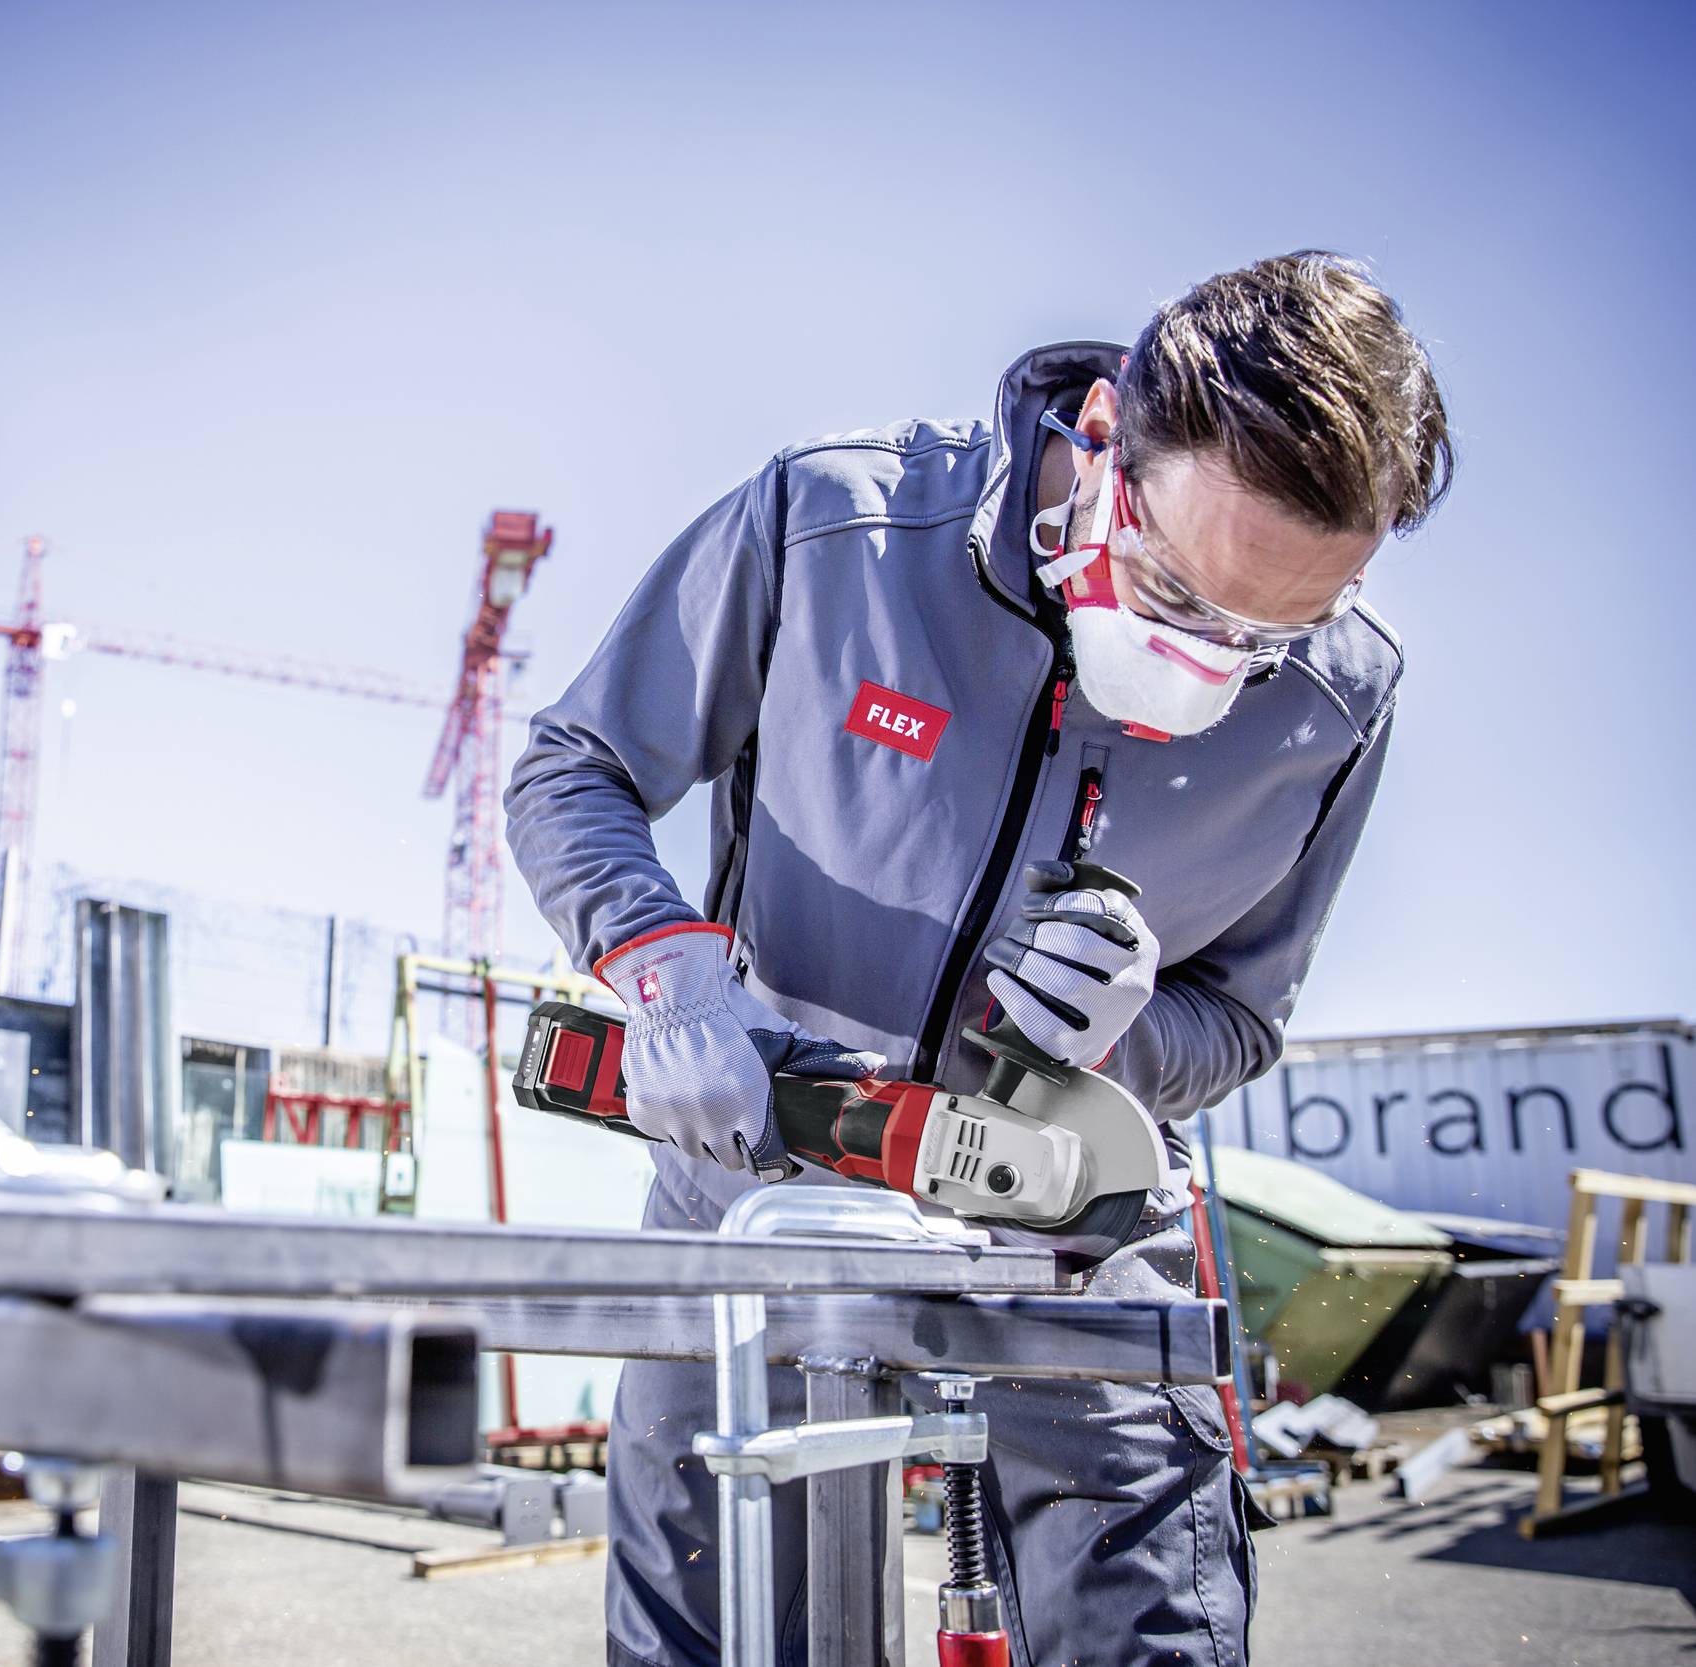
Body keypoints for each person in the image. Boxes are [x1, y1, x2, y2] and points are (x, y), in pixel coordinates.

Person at [505, 251, 1452, 1667]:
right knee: (708, 1620)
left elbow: (1238, 1024)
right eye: (1176, 594)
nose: (1209, 665)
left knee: (1151, 1632)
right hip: (763, 1176)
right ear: (1108, 434)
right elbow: (572, 766)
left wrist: (1135, 1025)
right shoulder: (839, 529)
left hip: (1079, 1221)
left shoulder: (1340, 704)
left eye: (1273, 630)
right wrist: (661, 969)